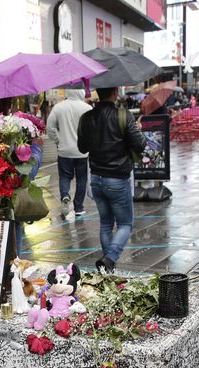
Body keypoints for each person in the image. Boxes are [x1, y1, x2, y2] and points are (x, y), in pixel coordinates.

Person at [76, 86, 146, 273]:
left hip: (96, 179)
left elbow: (82, 148)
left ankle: (108, 269)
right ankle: (110, 258)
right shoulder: (123, 116)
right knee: (125, 224)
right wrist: (137, 130)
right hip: (117, 179)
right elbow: (140, 144)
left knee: (106, 224)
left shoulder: (86, 118)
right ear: (114, 92)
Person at [47, 89, 92, 217]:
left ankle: (65, 196)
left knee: (65, 177)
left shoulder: (58, 107)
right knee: (81, 179)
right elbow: (92, 129)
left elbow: (50, 127)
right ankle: (79, 207)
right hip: (82, 152)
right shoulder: (87, 108)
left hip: (64, 150)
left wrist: (58, 140)